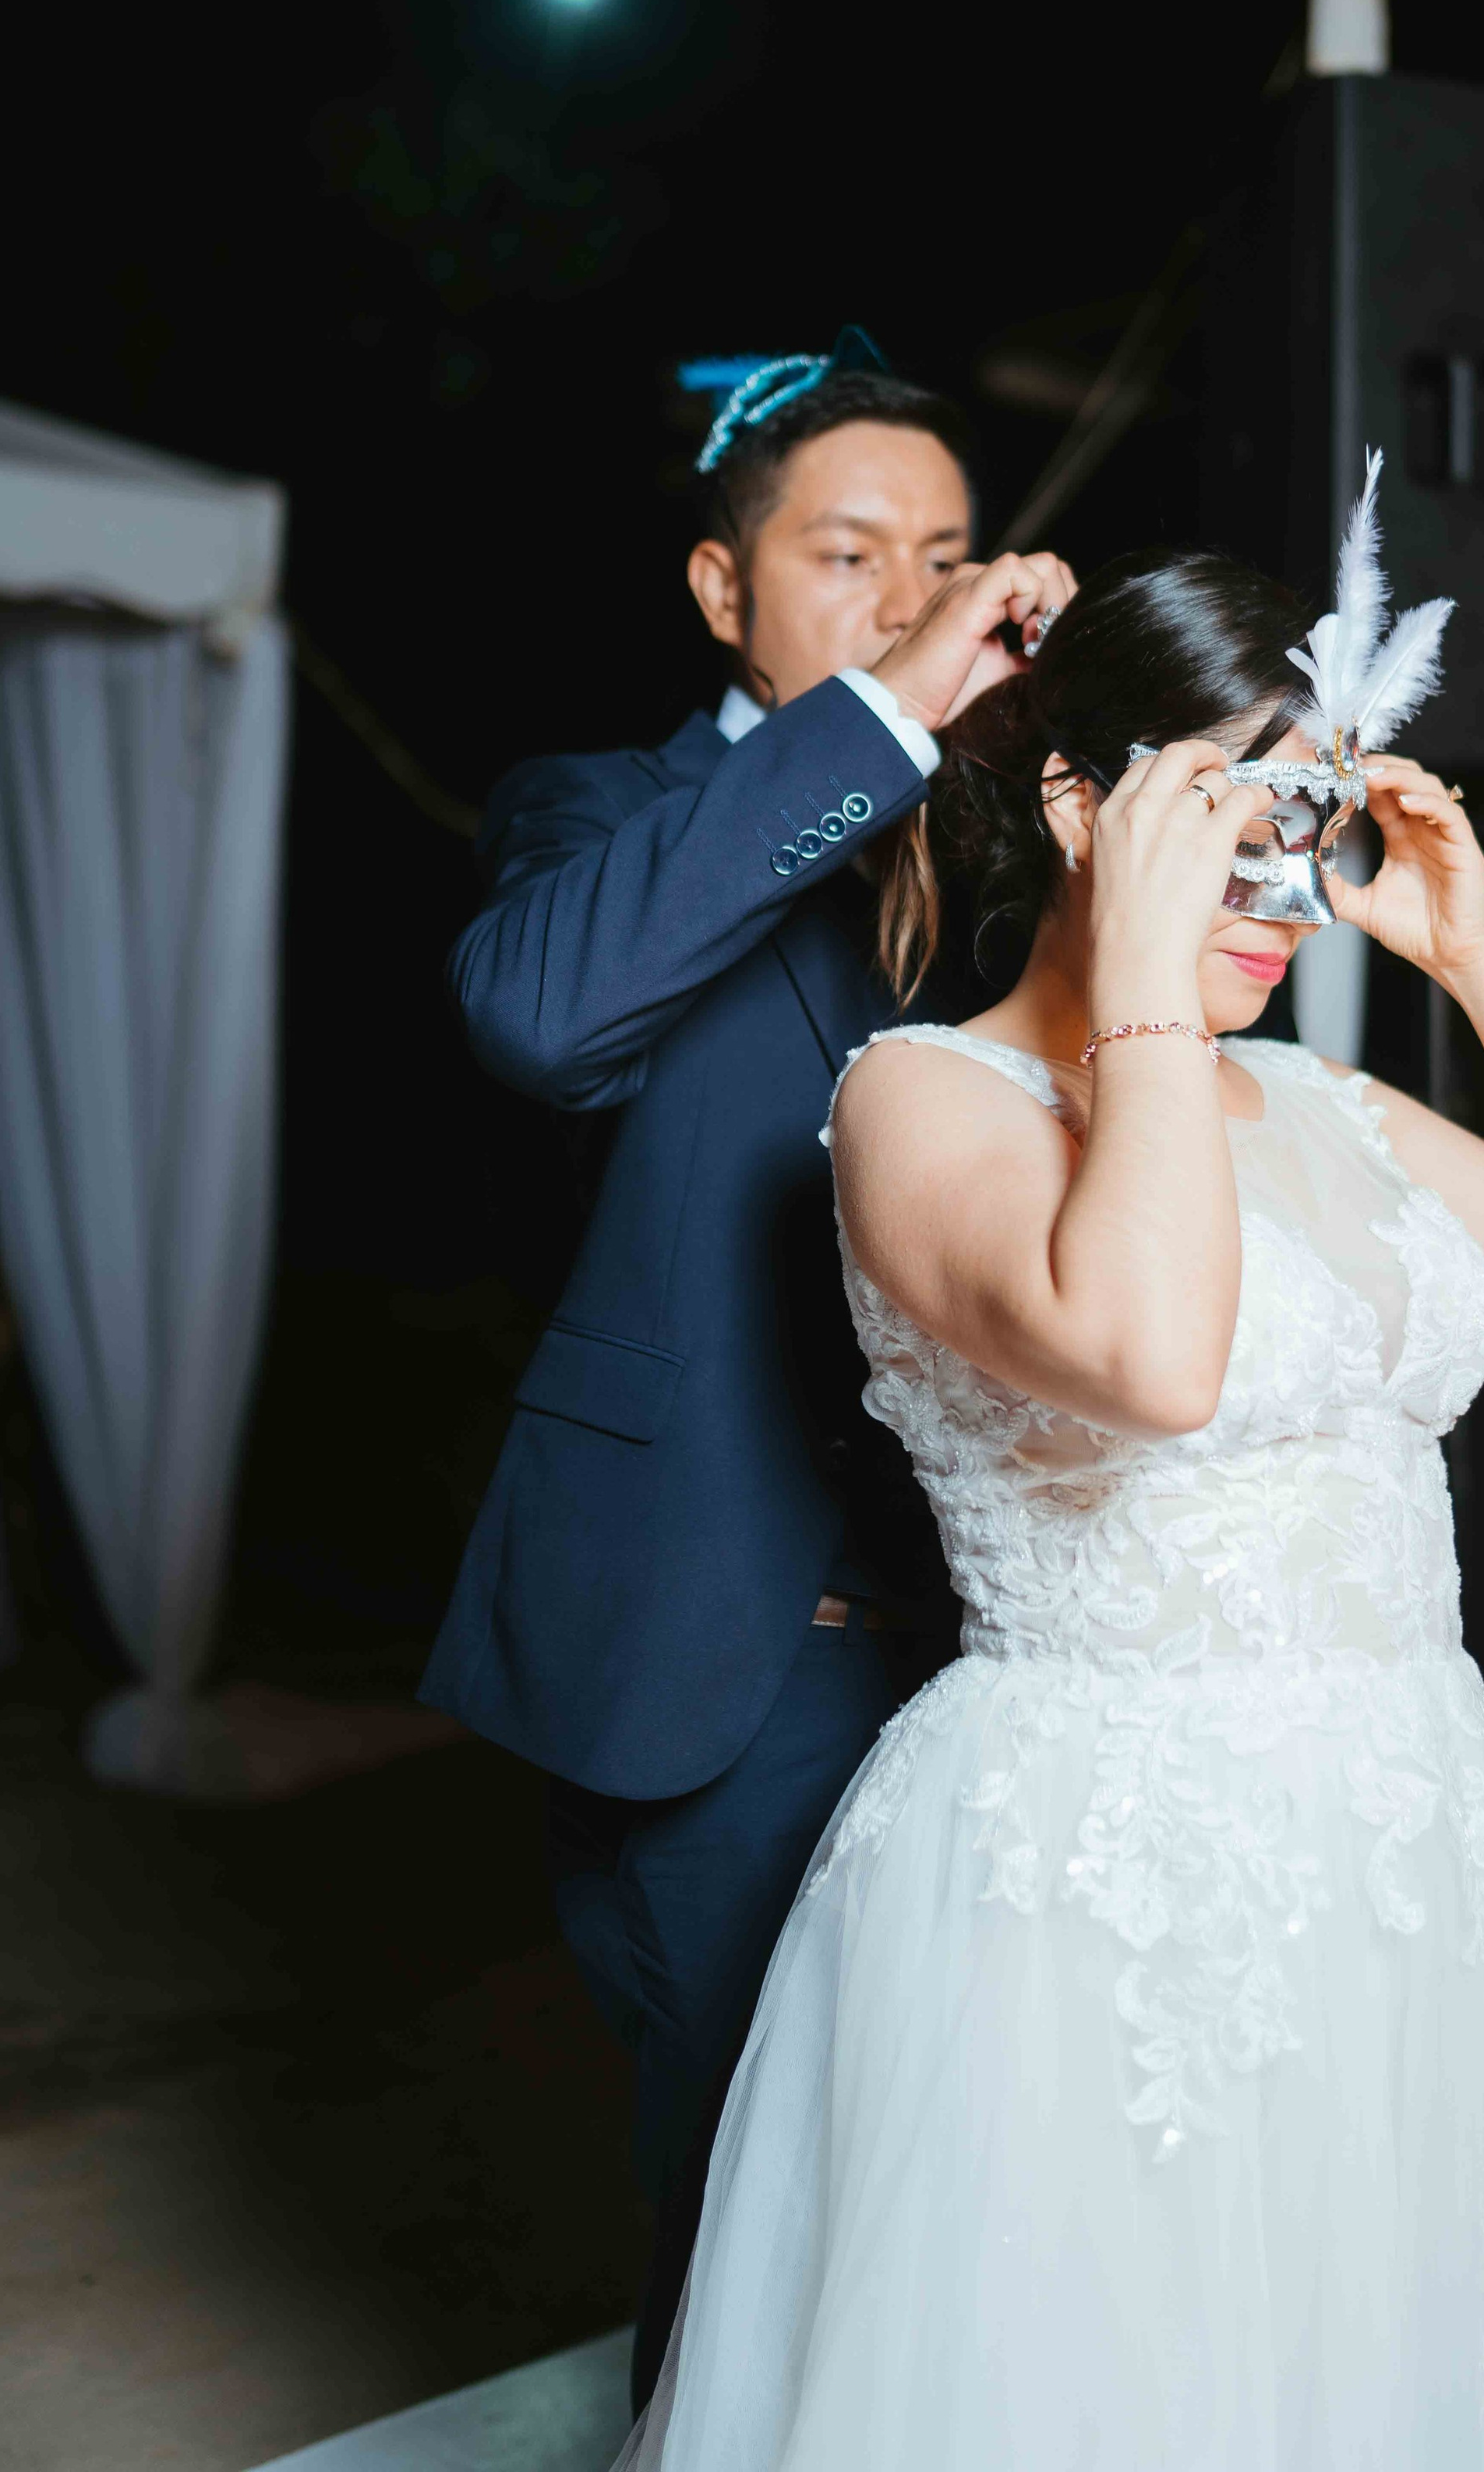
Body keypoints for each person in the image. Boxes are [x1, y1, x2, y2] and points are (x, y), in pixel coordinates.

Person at [613, 525, 1484, 2472]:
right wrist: (1146, 981)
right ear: (1085, 805)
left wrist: (1477, 963)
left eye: (1302, 829)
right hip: (1093, 1881)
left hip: (1404, 1851)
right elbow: (1149, 1356)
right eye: (1227, 818)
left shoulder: (1323, 1108)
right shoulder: (919, 1105)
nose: (1278, 890)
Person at [419, 335, 1075, 2408]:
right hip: (737, 1649)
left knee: (958, 2214)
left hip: (1012, 1650)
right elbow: (544, 1025)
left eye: (951, 560)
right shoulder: (609, 815)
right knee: (759, 2221)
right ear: (725, 590)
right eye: (852, 556)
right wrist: (882, 718)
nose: (909, 602)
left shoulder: (1015, 856)